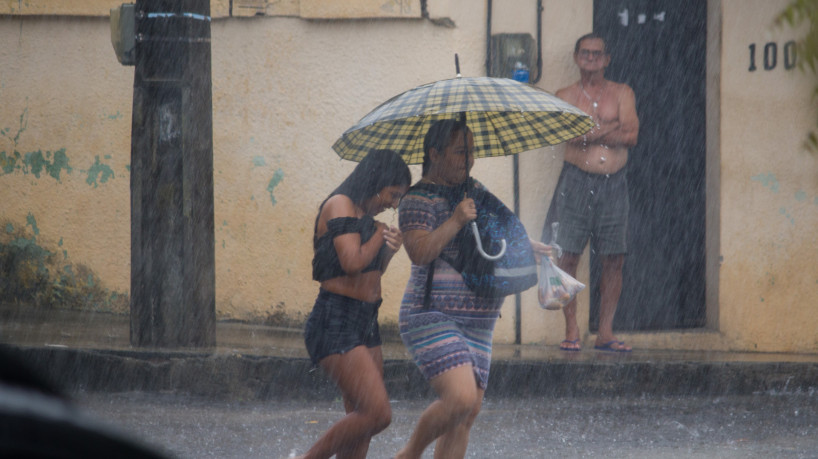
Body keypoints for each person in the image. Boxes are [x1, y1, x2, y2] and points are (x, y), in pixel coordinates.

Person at [395, 120, 551, 459]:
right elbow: (419, 252)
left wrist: (525, 248)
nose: (469, 159)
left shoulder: (473, 191)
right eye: (460, 151)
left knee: (467, 414)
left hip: (480, 321)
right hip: (432, 314)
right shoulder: (417, 199)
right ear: (434, 154)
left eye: (472, 151)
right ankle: (408, 454)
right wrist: (454, 220)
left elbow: (488, 240)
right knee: (461, 399)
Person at [299, 149, 411, 459]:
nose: (394, 203)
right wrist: (377, 236)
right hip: (335, 320)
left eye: (399, 197)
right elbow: (350, 262)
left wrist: (389, 250)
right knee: (378, 414)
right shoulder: (340, 205)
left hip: (366, 321)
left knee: (361, 418)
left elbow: (371, 274)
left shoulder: (367, 219)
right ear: (377, 181)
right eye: (393, 194)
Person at [543, 33, 639, 352]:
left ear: (607, 59)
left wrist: (593, 132)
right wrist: (611, 130)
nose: (591, 59)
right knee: (568, 255)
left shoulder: (622, 92)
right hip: (576, 181)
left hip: (615, 182)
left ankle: (606, 332)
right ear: (576, 57)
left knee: (614, 257)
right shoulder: (565, 95)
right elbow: (568, 137)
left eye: (597, 54)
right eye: (585, 53)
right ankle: (572, 329)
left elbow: (632, 134)